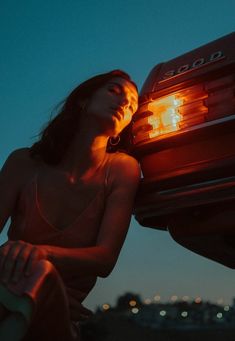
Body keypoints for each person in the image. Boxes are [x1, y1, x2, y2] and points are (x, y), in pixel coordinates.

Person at [0, 70, 140, 340]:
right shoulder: (23, 163)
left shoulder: (123, 169)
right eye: (115, 91)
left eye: (133, 105)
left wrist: (39, 254)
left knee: (40, 270)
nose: (125, 103)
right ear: (82, 101)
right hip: (7, 286)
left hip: (62, 319)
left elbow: (105, 259)